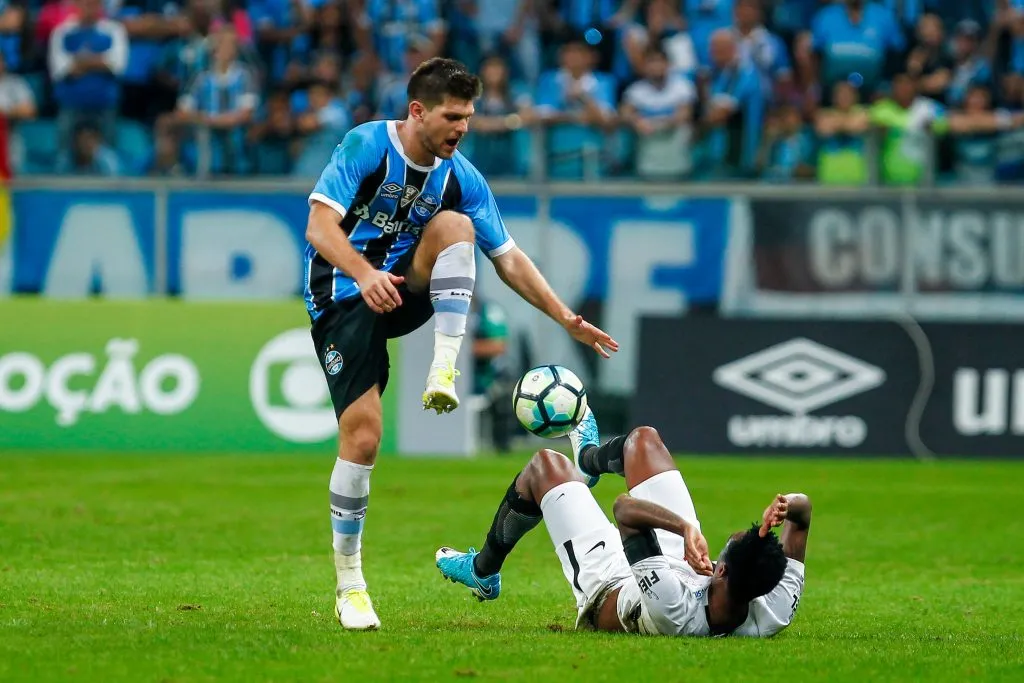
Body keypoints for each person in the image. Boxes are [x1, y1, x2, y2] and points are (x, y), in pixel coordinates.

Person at [303, 57, 619, 631]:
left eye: (469, 117)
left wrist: (567, 317)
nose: (462, 128)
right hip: (345, 294)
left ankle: (443, 370)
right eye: (452, 116)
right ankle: (350, 584)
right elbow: (319, 228)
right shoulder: (366, 146)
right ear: (418, 111)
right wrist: (364, 273)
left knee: (457, 227)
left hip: (406, 287)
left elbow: (510, 259)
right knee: (365, 436)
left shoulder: (459, 176)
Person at [436, 408, 810, 637]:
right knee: (643, 441)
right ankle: (588, 458)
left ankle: (483, 571)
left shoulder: (674, 610)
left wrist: (685, 529)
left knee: (545, 466)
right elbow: (803, 511)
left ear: (722, 569)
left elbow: (625, 510)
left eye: (732, 541)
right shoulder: (773, 606)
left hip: (611, 580)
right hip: (674, 559)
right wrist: (784, 506)